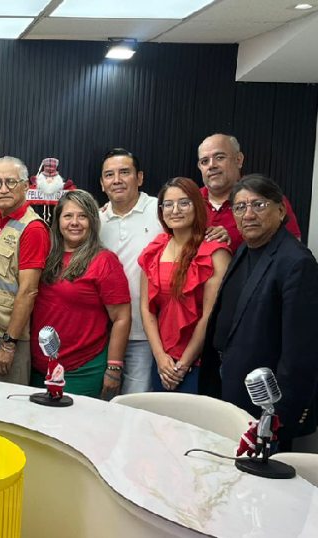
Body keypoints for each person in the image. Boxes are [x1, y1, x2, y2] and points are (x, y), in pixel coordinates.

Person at [201, 174, 318, 449]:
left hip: (265, 402)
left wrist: (278, 419)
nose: (248, 214)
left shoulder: (297, 263)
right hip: (230, 383)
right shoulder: (245, 249)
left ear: (281, 210)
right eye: (240, 207)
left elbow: (300, 353)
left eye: (259, 205)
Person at [31, 190, 131, 399]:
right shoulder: (46, 255)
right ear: (58, 221)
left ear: (92, 221)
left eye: (82, 216)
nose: (74, 222)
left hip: (81, 370)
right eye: (68, 216)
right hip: (38, 368)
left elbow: (121, 318)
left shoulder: (104, 261)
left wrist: (114, 368)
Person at [138, 178, 231, 394]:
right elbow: (146, 308)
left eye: (184, 203)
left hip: (199, 364)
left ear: (197, 206)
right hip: (162, 363)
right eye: (168, 204)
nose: (175, 210)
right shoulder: (154, 249)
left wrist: (182, 365)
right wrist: (160, 357)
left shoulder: (214, 252)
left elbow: (210, 316)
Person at [0, 156, 50, 385]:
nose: (3, 189)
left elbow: (28, 291)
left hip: (3, 338)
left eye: (11, 182)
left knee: (4, 403)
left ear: (26, 186)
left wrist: (9, 343)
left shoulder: (32, 229)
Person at [97, 148, 164, 394]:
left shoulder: (161, 211)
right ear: (102, 184)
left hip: (144, 335)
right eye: (109, 175)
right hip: (102, 335)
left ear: (140, 177)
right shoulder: (95, 220)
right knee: (99, 405)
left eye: (124, 172)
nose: (117, 180)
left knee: (135, 405)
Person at [196, 134, 300, 251]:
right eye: (205, 161)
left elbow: (292, 252)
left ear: (239, 160)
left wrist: (233, 245)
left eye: (220, 157)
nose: (211, 165)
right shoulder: (189, 201)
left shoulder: (267, 197)